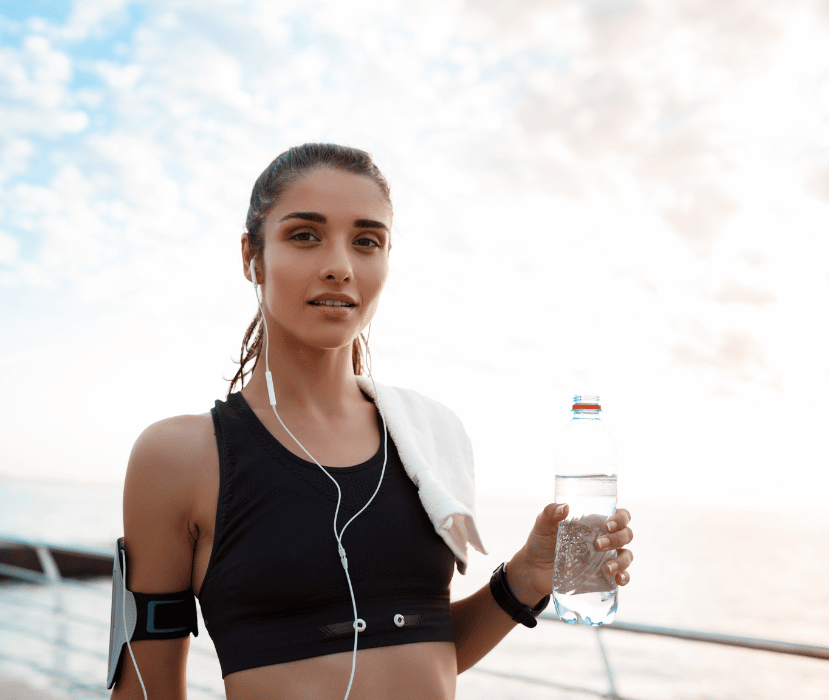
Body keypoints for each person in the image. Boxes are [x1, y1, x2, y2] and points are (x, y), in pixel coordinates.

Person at [111, 143, 634, 700]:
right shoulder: (181, 456)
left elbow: (425, 651)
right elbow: (147, 690)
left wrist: (527, 577)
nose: (339, 265)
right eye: (305, 235)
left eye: (367, 241)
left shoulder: (427, 437)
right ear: (251, 257)